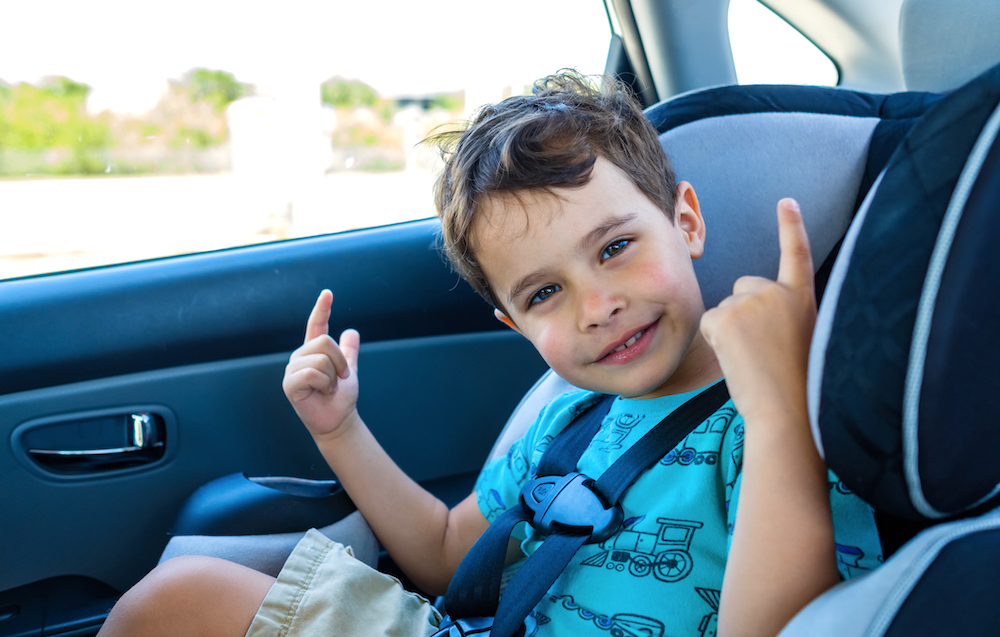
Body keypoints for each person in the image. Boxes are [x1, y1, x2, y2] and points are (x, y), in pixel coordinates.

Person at [97, 72, 881, 637]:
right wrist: (340, 431)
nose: (597, 305)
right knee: (179, 596)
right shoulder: (568, 415)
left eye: (615, 246)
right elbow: (446, 553)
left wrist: (779, 408)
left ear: (686, 221)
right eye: (546, 293)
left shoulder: (777, 420)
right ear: (514, 325)